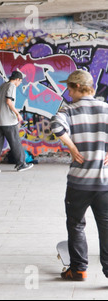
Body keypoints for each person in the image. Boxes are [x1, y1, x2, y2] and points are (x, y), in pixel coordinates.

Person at [51, 70, 108, 281]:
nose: (67, 91)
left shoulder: (69, 110)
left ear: (76, 87)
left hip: (78, 183)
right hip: (104, 183)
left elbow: (56, 126)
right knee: (106, 226)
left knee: (76, 224)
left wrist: (72, 147)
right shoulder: (105, 108)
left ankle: (79, 269)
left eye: (69, 87)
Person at [0, 71, 34, 173]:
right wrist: (17, 114)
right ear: (17, 79)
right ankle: (21, 164)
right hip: (8, 121)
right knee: (15, 141)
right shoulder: (11, 86)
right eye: (20, 81)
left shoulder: (2, 86)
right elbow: (8, 101)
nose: (20, 83)